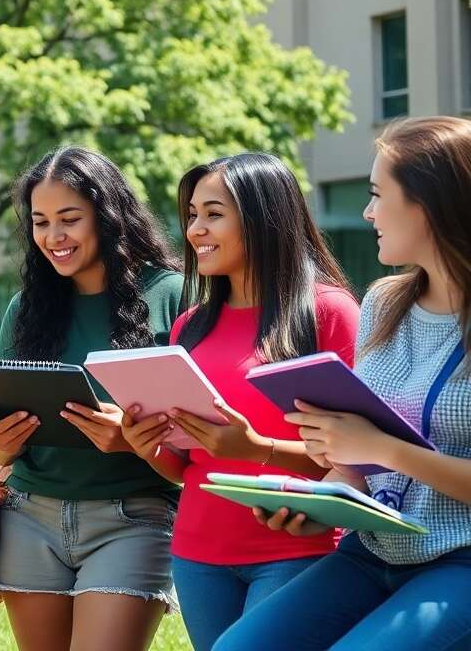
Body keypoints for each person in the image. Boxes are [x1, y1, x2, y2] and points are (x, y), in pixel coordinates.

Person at [215, 117, 471, 650]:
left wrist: (382, 448)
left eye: (378, 195)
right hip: (371, 552)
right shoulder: (383, 302)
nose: (368, 211)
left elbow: (377, 443)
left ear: (430, 204)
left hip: (460, 561)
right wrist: (323, 503)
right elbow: (357, 458)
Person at [121, 152, 359, 650]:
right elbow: (187, 465)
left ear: (262, 218)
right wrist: (147, 445)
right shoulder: (191, 324)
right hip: (197, 555)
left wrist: (257, 449)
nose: (195, 230)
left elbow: (362, 459)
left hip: (297, 549)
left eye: (213, 213)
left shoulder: (329, 313)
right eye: (191, 215)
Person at [0, 147, 184, 651]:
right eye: (41, 222)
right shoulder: (26, 308)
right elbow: (4, 452)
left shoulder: (175, 295)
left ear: (109, 216)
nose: (54, 237)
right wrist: (1, 443)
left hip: (133, 517)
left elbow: (198, 429)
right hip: (29, 516)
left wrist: (133, 441)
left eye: (70, 219)